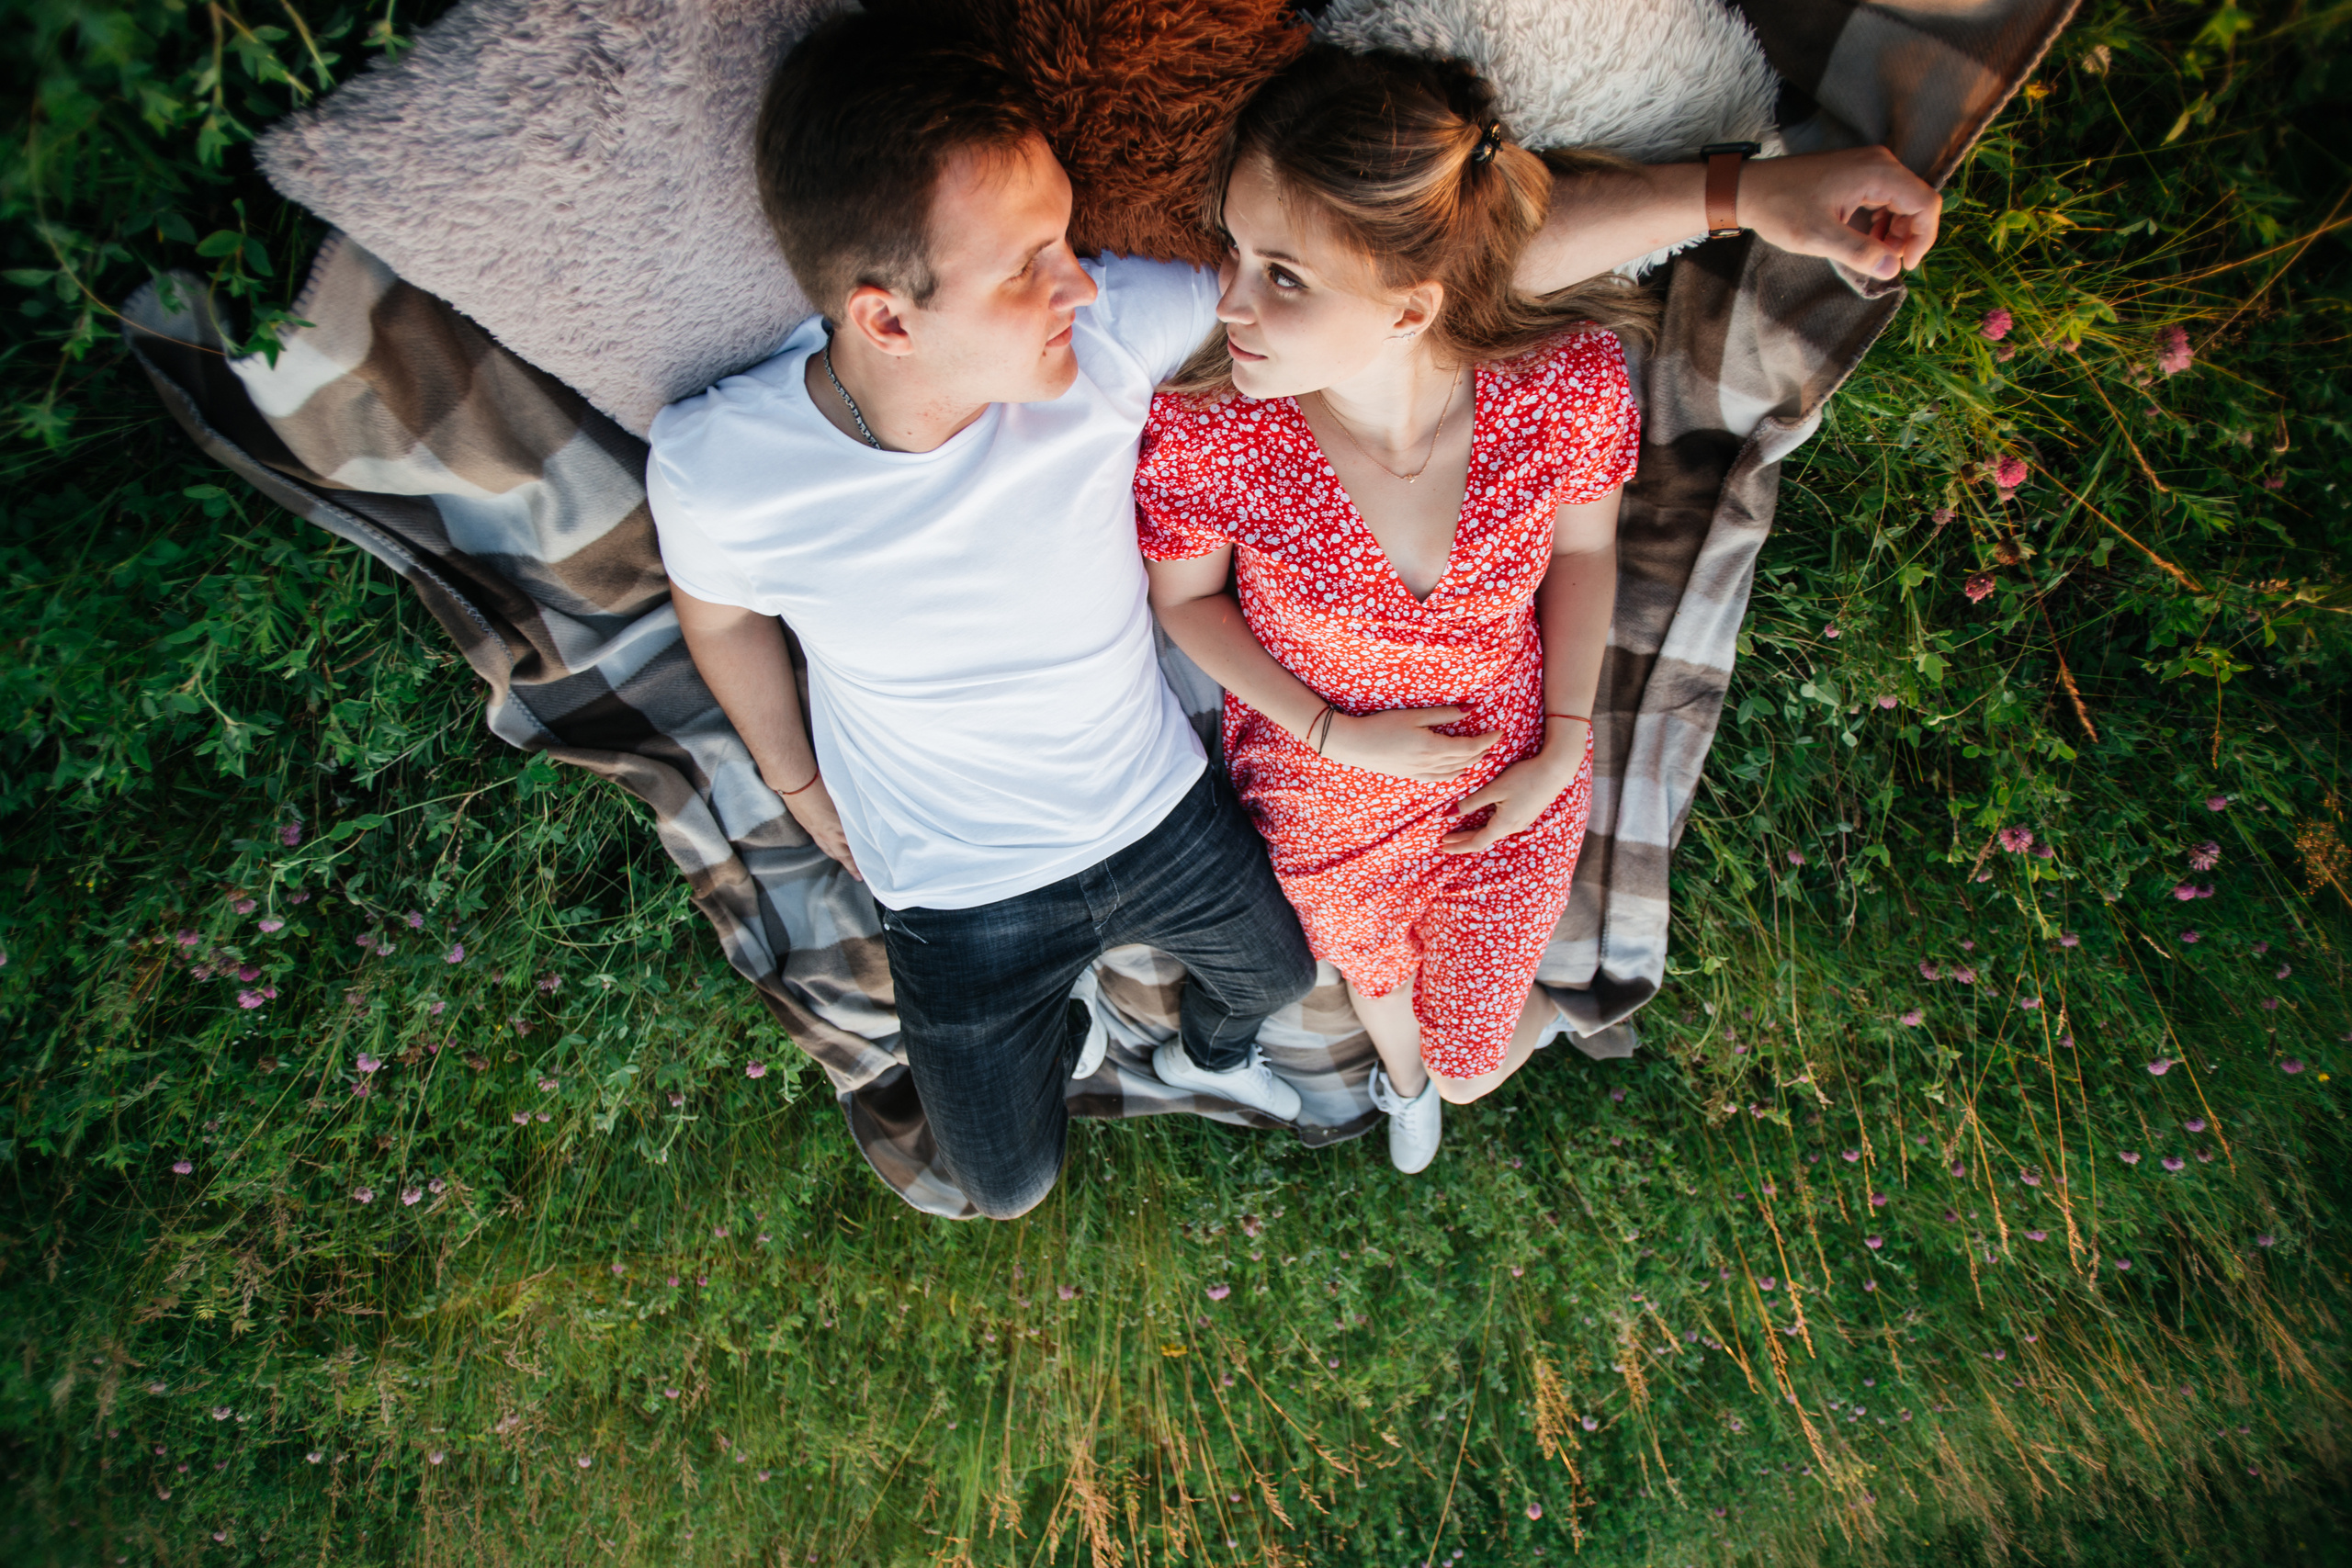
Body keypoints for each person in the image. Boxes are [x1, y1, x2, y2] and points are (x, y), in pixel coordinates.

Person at [646, 6, 1942, 1217]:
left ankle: (1222, 1046)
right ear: (886, 315)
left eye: (1068, 239)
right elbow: (720, 623)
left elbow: (1417, 282)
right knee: (1006, 1182)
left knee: (1269, 981)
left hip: (1158, 813)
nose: (1089, 278)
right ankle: (1073, 1018)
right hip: (954, 885)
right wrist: (803, 791)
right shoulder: (723, 465)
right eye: (1035, 262)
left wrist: (1749, 197)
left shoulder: (1105, 347)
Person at [1131, 47, 1858, 1172]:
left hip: (1505, 760)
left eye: (1282, 275)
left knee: (1473, 1062)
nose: (1225, 301)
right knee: (1374, 973)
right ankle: (1400, 1075)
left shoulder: (1560, 387)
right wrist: (1333, 731)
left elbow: (1585, 556)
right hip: (1322, 777)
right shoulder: (1214, 424)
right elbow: (1183, 605)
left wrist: (1562, 746)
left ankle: (1438, 1074)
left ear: (1410, 306)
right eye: (1233, 250)